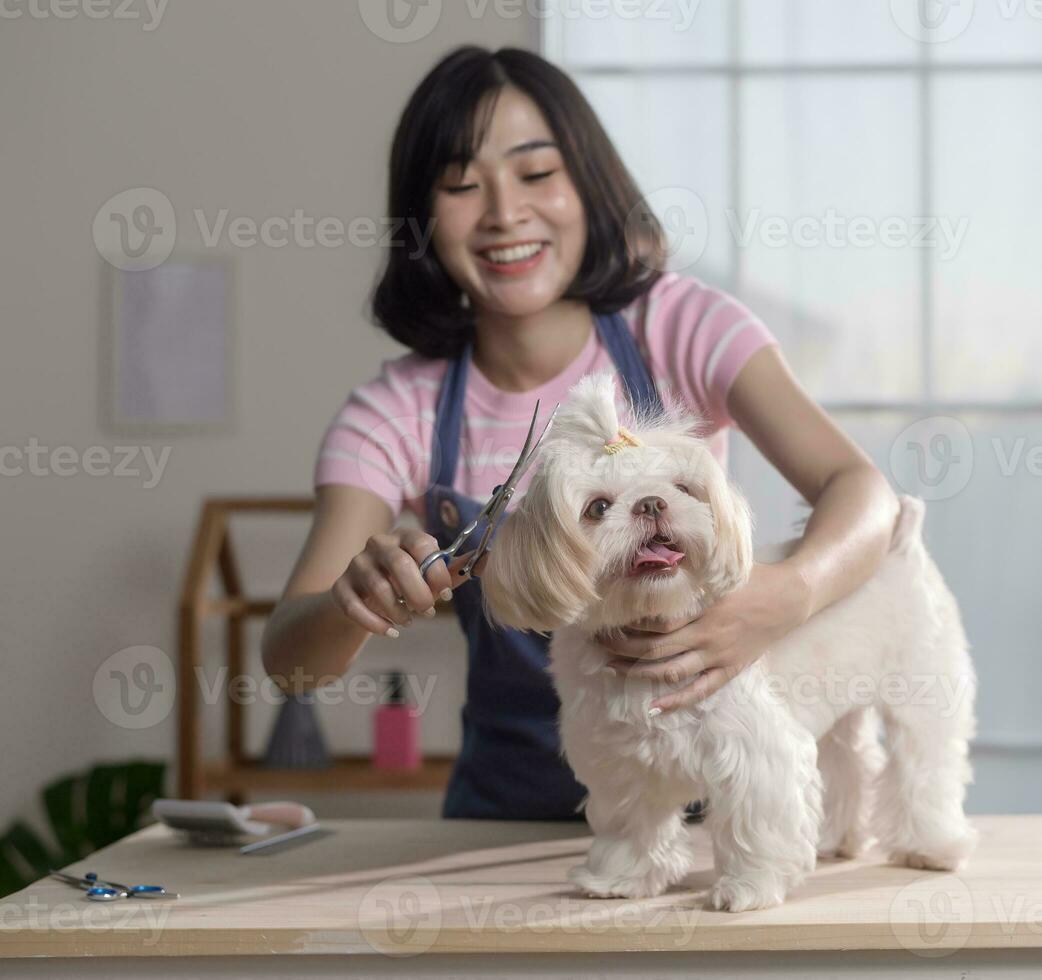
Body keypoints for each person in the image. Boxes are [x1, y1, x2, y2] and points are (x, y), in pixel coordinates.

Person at [261, 46, 900, 821]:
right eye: (461, 184)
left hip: (705, 816)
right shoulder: (398, 410)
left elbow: (862, 492)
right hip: (503, 823)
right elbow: (291, 665)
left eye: (536, 174)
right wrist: (347, 601)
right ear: (421, 217)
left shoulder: (679, 327)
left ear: (588, 186)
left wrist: (790, 593)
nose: (503, 213)